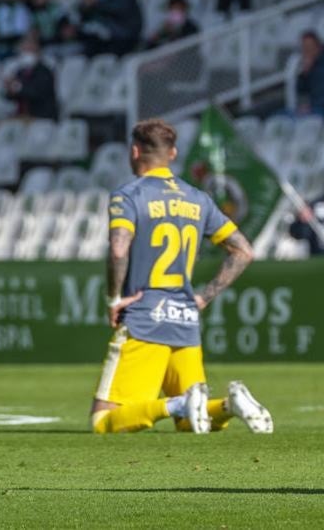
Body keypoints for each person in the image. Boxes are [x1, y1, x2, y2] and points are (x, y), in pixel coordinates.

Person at [92, 119, 272, 434]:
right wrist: (203, 297)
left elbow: (119, 249)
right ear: (173, 153)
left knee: (103, 422)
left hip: (145, 318)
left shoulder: (129, 195)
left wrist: (113, 298)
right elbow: (243, 251)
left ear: (134, 152)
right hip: (185, 319)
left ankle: (177, 403)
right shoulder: (198, 199)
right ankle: (230, 405)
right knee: (191, 420)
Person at [3, 33, 58, 120]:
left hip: (42, 116)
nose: (26, 53)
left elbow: (36, 93)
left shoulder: (45, 71)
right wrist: (9, 88)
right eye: (24, 49)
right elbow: (12, 95)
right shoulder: (20, 72)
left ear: (37, 50)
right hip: (23, 115)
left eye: (29, 49)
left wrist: (17, 87)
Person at [294, 31, 324, 117]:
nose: (307, 50)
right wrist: (304, 74)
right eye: (304, 47)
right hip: (314, 107)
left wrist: (312, 107)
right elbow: (301, 91)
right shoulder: (308, 67)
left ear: (318, 46)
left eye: (309, 46)